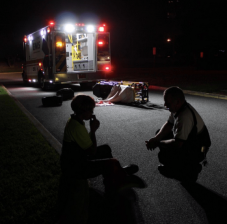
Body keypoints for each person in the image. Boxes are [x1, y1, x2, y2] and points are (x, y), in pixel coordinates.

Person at [57, 94, 139, 223]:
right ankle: (112, 192)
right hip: (76, 168)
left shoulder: (75, 120)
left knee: (105, 149)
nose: (92, 113)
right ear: (84, 111)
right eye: (91, 110)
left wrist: (91, 130)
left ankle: (116, 174)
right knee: (112, 162)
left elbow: (87, 144)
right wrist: (93, 130)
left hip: (77, 159)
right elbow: (92, 150)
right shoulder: (77, 127)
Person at [145, 86, 211, 181]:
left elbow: (177, 143)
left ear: (177, 102)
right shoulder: (178, 108)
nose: (165, 105)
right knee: (159, 133)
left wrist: (158, 143)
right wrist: (156, 138)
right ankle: (182, 166)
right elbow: (169, 124)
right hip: (192, 140)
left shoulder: (184, 117)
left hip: (199, 148)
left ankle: (191, 168)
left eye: (167, 103)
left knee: (166, 155)